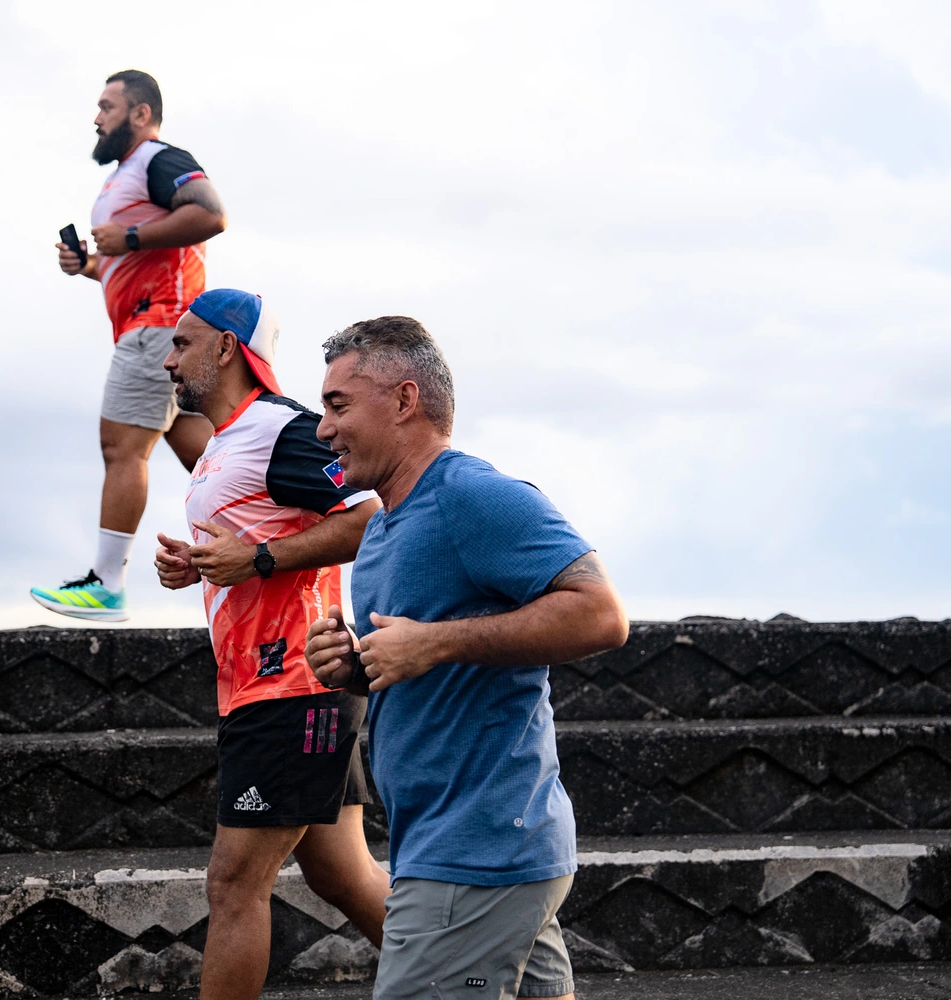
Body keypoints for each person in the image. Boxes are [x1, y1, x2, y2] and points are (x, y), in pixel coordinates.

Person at [304, 316, 629, 1000]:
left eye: (338, 406)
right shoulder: (385, 527)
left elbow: (602, 614)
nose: (322, 430)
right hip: (472, 856)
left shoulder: (473, 496)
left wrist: (435, 642)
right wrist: (355, 665)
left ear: (403, 401)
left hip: (475, 859)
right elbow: (418, 657)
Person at [153, 289, 391, 1000]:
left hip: (292, 684)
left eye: (182, 343)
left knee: (233, 883)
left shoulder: (282, 430)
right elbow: (259, 538)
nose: (169, 360)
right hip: (273, 687)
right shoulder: (227, 443)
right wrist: (195, 563)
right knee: (340, 873)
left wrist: (258, 559)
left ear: (226, 348)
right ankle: (470, 983)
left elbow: (368, 517)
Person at [31, 69, 227, 621]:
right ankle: (268, 548)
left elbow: (211, 213)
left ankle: (106, 585)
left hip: (156, 329)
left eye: (107, 106)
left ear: (140, 114)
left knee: (122, 449)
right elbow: (133, 265)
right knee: (213, 459)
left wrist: (131, 237)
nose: (96, 118)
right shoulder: (124, 177)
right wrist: (91, 264)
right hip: (157, 326)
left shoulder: (158, 160)